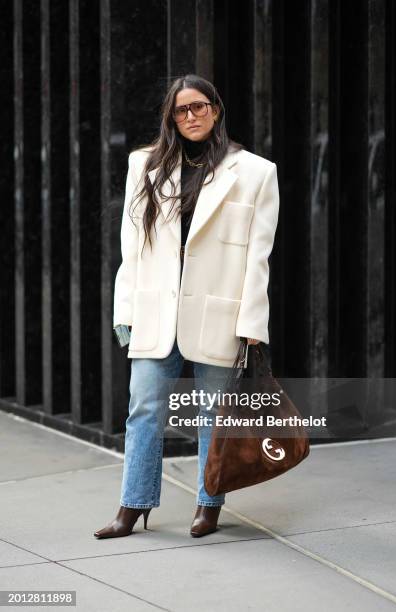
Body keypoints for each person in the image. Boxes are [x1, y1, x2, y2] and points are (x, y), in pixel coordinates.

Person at [94, 74, 280, 539]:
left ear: (215, 109)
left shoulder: (255, 171)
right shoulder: (145, 165)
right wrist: (125, 314)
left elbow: (259, 257)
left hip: (218, 312)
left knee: (213, 417)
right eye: (181, 110)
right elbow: (131, 247)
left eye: (199, 107)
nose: (191, 116)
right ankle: (132, 506)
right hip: (157, 311)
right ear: (170, 117)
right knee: (143, 410)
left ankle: (208, 504)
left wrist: (252, 322)